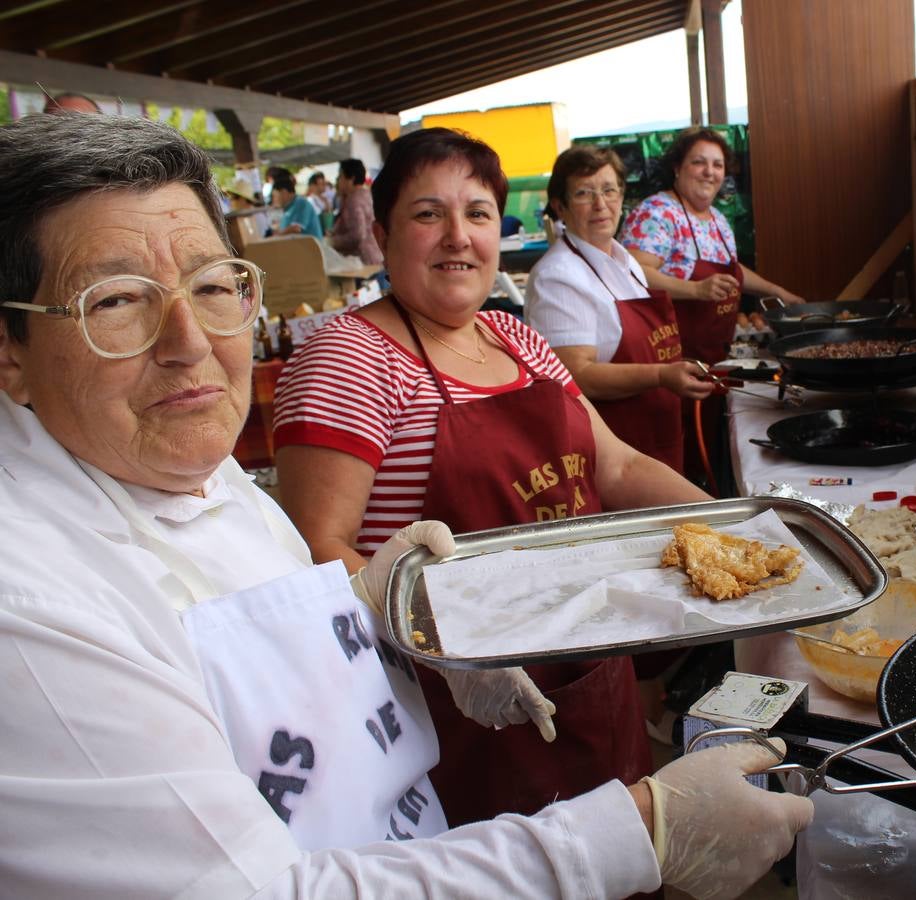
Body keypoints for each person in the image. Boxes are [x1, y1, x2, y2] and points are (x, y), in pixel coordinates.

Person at [0, 112, 812, 899]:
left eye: (214, 285)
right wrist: (640, 829)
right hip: (473, 764)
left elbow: (618, 463)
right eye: (115, 301)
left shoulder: (198, 473)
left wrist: (748, 535)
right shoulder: (29, 607)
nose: (187, 340)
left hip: (549, 696)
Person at [273, 128, 714, 829]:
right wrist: (452, 656)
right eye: (427, 215)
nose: (458, 236)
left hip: (588, 680)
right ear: (381, 234)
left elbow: (618, 466)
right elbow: (315, 551)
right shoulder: (350, 359)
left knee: (619, 855)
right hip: (450, 713)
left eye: (477, 213)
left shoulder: (519, 339)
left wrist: (739, 528)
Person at [526, 144, 713, 472]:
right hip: (614, 455)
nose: (601, 204)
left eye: (609, 190)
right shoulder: (557, 276)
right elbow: (577, 376)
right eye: (584, 193)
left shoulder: (624, 260)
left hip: (658, 437)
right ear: (561, 206)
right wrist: (661, 374)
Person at [620, 126, 804, 367]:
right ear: (677, 168)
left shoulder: (717, 218)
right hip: (669, 361)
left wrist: (775, 291)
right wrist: (695, 290)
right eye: (699, 162)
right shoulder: (655, 213)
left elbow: (732, 270)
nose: (709, 172)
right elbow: (632, 272)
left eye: (718, 165)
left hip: (714, 359)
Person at [328, 157, 384, 266]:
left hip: (363, 262)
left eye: (340, 176)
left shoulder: (353, 200)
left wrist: (332, 241)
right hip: (377, 257)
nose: (338, 180)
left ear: (351, 179)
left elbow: (357, 235)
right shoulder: (367, 194)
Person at [271, 169, 323, 238]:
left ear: (284, 192)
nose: (274, 200)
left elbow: (296, 228)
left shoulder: (301, 203)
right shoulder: (288, 207)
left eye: (275, 196)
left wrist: (277, 236)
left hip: (310, 248)